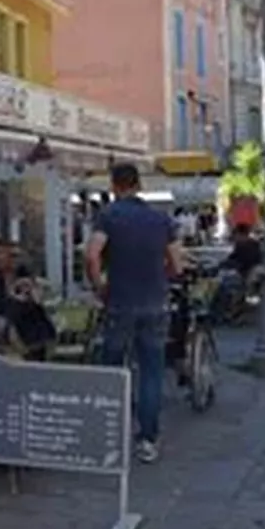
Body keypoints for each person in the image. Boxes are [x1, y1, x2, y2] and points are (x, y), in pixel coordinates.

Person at [85, 162, 183, 464]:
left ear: (114, 186)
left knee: (113, 367)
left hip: (120, 301)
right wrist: (164, 276)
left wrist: (99, 286)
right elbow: (177, 263)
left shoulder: (108, 216)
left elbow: (92, 255)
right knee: (151, 371)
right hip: (155, 302)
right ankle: (148, 440)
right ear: (139, 185)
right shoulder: (160, 219)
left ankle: (111, 432)